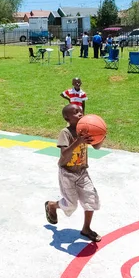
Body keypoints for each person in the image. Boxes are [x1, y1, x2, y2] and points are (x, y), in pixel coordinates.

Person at [44, 104, 103, 242]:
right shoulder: (65, 133)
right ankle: (52, 205)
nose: (80, 114)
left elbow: (97, 146)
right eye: (76, 112)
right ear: (67, 117)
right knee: (71, 205)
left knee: (91, 199)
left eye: (81, 111)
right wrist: (78, 141)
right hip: (67, 173)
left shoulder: (85, 130)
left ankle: (86, 228)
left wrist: (101, 135)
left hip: (82, 172)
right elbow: (64, 155)